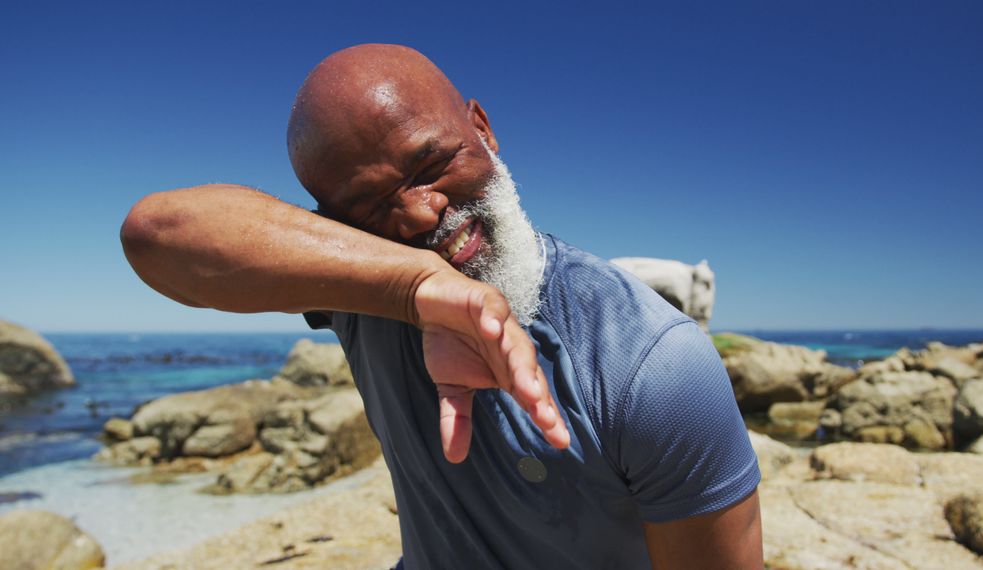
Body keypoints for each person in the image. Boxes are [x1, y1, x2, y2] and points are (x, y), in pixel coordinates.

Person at [121, 44, 763, 569]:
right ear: (337, 226)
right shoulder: (363, 292)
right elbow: (156, 235)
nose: (422, 211)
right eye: (371, 204)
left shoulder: (652, 364)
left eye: (431, 162)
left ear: (482, 128)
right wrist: (412, 289)